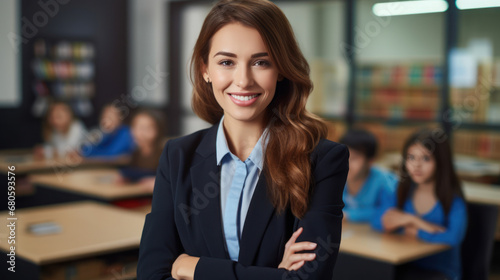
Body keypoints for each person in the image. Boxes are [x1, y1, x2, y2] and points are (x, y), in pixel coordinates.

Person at [137, 1, 349, 279]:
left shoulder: (321, 160)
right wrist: (271, 274)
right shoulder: (177, 155)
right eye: (227, 62)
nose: (243, 80)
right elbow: (152, 273)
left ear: (281, 69)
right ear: (205, 69)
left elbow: (309, 278)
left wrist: (194, 266)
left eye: (261, 62)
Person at [371, 128, 467, 280]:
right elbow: (378, 221)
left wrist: (413, 228)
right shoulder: (398, 190)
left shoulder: (452, 199)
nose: (416, 165)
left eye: (426, 159)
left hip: (440, 271)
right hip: (403, 265)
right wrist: (415, 221)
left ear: (441, 161)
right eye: (411, 157)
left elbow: (452, 237)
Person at [339, 129, 398, 223]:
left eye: (354, 158)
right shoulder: (334, 179)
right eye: (342, 156)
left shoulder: (385, 183)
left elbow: (387, 212)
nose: (346, 163)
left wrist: (348, 215)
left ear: (370, 161)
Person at [117, 108, 166, 190]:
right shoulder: (135, 153)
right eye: (135, 127)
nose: (139, 133)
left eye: (146, 128)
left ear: (159, 131)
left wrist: (160, 182)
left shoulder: (165, 155)